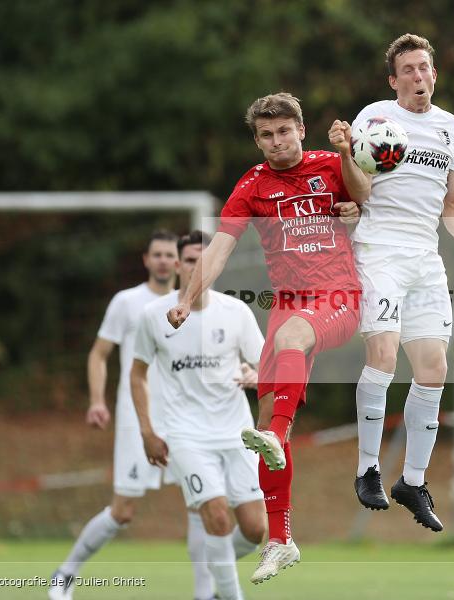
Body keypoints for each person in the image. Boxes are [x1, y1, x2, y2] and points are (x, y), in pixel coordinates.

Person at [166, 92, 365, 584]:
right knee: (270, 423)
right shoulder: (252, 186)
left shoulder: (331, 163)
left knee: (288, 360)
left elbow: (371, 200)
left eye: (284, 131)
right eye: (266, 136)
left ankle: (276, 431)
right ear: (257, 141)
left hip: (338, 295)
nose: (277, 142)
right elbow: (219, 247)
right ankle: (280, 540)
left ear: (301, 129)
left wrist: (352, 187)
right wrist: (188, 299)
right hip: (287, 304)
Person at [344, 33, 454, 532]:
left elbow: (453, 204)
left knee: (433, 367)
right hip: (379, 249)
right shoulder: (377, 119)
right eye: (408, 69)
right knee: (382, 354)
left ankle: (412, 480)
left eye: (424, 67)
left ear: (434, 73)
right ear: (393, 79)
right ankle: (367, 470)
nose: (418, 76)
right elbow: (357, 184)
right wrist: (350, 177)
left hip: (426, 257)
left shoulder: (452, 130)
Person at [49, 230, 217, 599]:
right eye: (155, 254)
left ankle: (205, 594)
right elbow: (99, 354)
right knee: (122, 511)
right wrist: (97, 400)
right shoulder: (127, 303)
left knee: (199, 503)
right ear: (147, 260)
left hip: (185, 420)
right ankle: (64, 575)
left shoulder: (198, 307)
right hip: (136, 419)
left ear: (178, 261)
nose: (161, 260)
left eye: (167, 254)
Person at [133, 230, 267, 600]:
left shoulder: (236, 312)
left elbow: (265, 367)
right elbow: (137, 374)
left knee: (255, 530)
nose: (198, 267)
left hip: (237, 433)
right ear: (178, 265)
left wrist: (256, 376)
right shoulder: (153, 316)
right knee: (218, 515)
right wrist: (147, 431)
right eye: (191, 260)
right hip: (186, 435)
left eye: (205, 260)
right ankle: (226, 594)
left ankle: (217, 562)